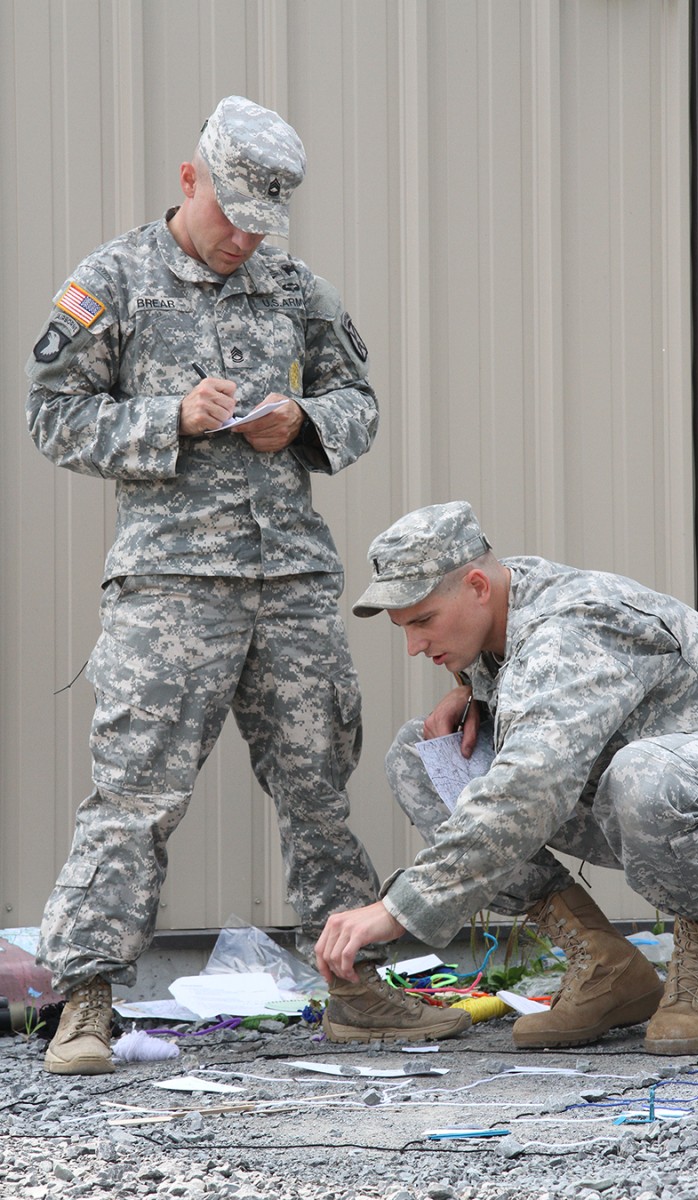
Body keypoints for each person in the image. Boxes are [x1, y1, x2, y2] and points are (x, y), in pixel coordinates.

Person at [26, 97, 467, 1075]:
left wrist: (301, 422)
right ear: (190, 181)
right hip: (170, 580)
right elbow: (50, 416)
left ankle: (354, 993)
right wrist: (167, 419)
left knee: (319, 791)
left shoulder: (295, 286)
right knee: (133, 794)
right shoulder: (110, 283)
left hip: (292, 579)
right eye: (232, 216)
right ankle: (86, 1002)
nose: (244, 239)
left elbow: (359, 403)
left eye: (263, 222)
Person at [315, 500, 698, 1054]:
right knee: (424, 756)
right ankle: (604, 965)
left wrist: (401, 906)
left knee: (642, 774)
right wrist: (473, 691)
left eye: (423, 621)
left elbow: (531, 786)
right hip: (625, 788)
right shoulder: (500, 602)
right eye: (405, 627)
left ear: (477, 586)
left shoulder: (571, 628)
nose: (414, 645)